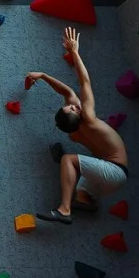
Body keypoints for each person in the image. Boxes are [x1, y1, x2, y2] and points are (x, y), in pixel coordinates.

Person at [27, 26, 128, 225]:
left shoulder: (73, 131)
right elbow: (85, 83)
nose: (73, 106)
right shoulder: (88, 118)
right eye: (73, 109)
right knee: (68, 161)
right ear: (77, 114)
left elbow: (67, 93)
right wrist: (74, 52)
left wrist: (44, 76)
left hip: (108, 174)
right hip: (114, 172)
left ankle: (82, 201)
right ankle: (66, 209)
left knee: (76, 174)